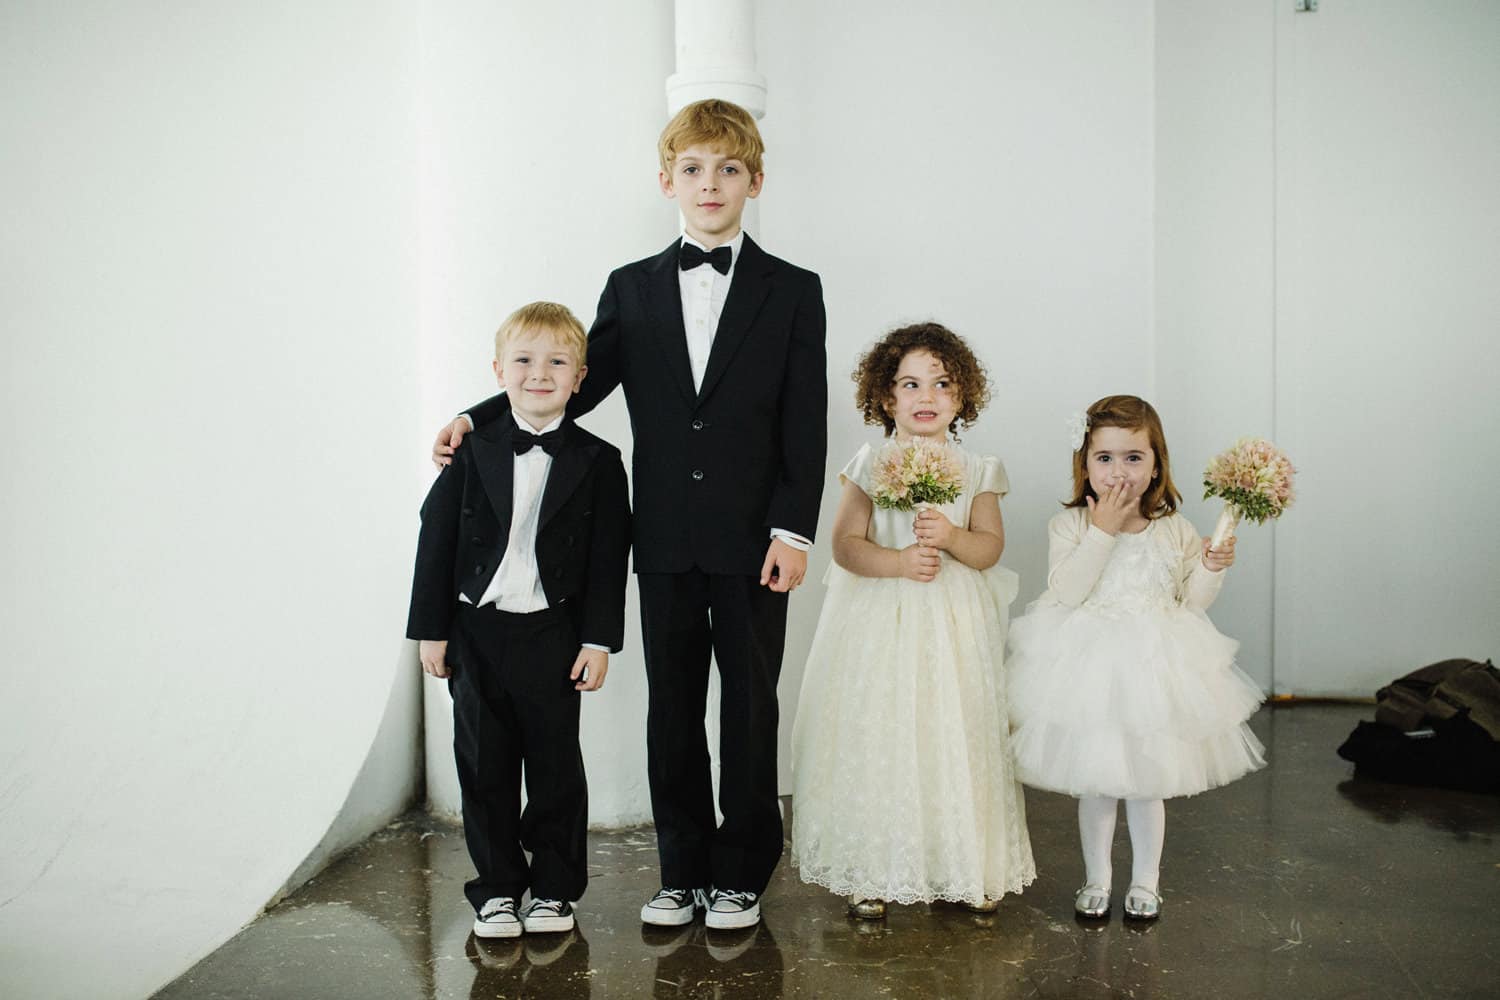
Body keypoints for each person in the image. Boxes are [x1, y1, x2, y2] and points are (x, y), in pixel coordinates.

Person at [431, 99, 827, 930]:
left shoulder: (794, 291)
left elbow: (805, 419)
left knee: (750, 707)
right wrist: (477, 417)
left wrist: (792, 530)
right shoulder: (631, 287)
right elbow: (571, 382)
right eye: (693, 169)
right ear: (666, 180)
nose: (709, 184)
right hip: (664, 539)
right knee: (671, 709)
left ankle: (741, 872)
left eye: (727, 170)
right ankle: (681, 871)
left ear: (755, 181)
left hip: (755, 542)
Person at [790, 322, 1036, 920]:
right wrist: (898, 562)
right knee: (885, 731)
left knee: (956, 732)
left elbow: (988, 549)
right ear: (885, 396)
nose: (927, 396)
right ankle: (875, 867)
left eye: (942, 384)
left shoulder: (978, 469)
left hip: (953, 628)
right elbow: (845, 545)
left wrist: (950, 537)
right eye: (910, 384)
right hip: (882, 622)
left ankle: (966, 864)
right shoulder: (871, 463)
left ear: (962, 396)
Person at [407, 301, 630, 939]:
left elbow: (608, 559)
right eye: (525, 360)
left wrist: (598, 641)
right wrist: (431, 631)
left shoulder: (600, 460)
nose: (540, 374)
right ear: (498, 370)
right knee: (484, 769)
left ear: (580, 377)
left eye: (557, 362)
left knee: (557, 770)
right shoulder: (470, 452)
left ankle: (554, 891)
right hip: (476, 633)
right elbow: (435, 541)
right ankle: (498, 890)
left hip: (554, 637)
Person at [1006, 394, 1266, 921]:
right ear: (1085, 464)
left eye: (1133, 458)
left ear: (1155, 465)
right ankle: (1097, 878)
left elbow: (1192, 601)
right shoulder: (1070, 526)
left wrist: (1212, 566)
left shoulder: (1174, 528)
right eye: (1104, 458)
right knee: (1098, 782)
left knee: (1149, 783)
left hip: (1153, 666)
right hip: (1090, 668)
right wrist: (1102, 530)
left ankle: (1146, 881)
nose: (1119, 472)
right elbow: (1068, 591)